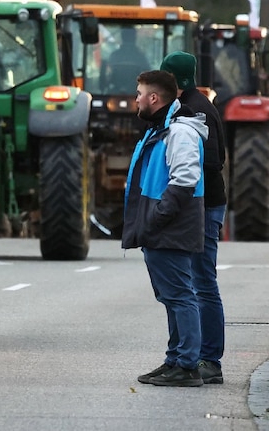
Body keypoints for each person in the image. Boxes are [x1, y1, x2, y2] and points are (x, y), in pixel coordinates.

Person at [125, 69, 208, 388]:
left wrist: (156, 217)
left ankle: (187, 365)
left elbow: (185, 180)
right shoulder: (161, 129)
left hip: (170, 227)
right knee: (172, 296)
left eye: (140, 94)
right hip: (162, 226)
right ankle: (175, 358)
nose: (136, 100)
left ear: (154, 98)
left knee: (180, 296)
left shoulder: (179, 133)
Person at [160, 51, 226, 385]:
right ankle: (189, 355)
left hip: (204, 206)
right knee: (194, 282)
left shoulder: (198, 109)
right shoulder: (194, 105)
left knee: (202, 282)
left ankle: (209, 359)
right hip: (200, 205)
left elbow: (211, 163)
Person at [106, 27, 152, 93]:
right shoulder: (140, 56)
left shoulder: (114, 55)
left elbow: (108, 75)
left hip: (115, 92)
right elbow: (148, 75)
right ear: (134, 38)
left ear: (122, 37)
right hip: (135, 92)